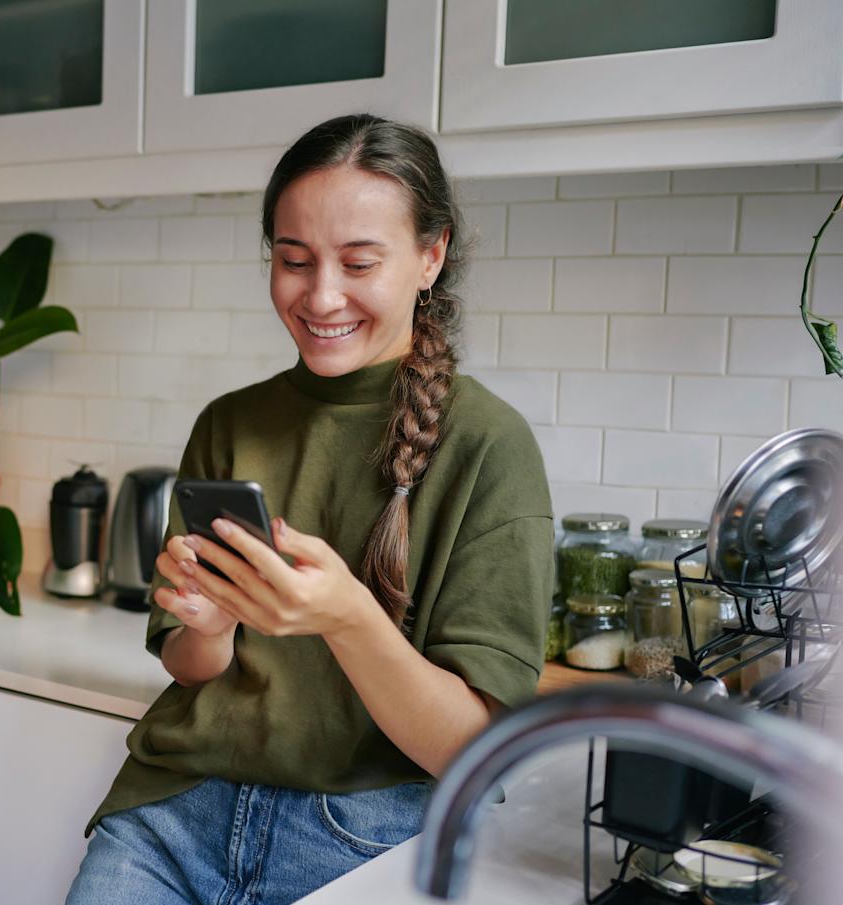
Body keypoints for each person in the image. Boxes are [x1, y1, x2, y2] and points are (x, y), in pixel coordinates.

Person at [64, 113, 553, 905]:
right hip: (176, 811)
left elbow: (473, 748)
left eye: (359, 262)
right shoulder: (230, 422)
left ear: (432, 256)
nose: (321, 295)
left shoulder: (490, 447)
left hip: (369, 836)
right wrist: (208, 622)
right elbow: (189, 667)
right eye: (294, 261)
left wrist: (346, 616)